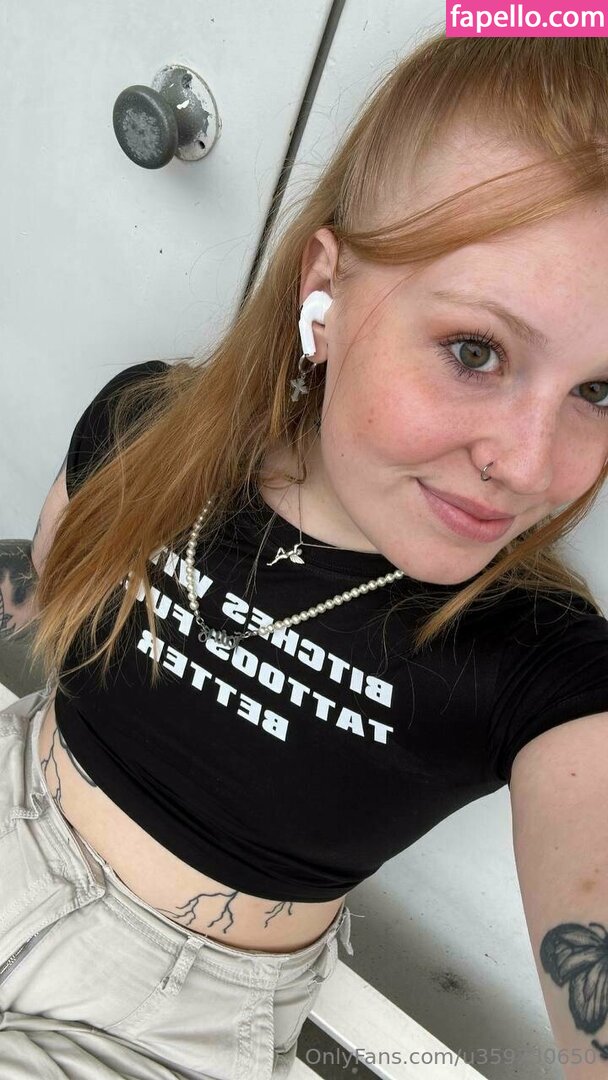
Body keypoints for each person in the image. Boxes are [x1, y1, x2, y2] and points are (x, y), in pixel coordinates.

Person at [2, 26, 608, 1080]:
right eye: (475, 351)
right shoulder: (150, 429)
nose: (527, 465)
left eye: (599, 392)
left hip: (162, 1023)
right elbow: (49, 586)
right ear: (325, 291)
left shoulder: (541, 668)